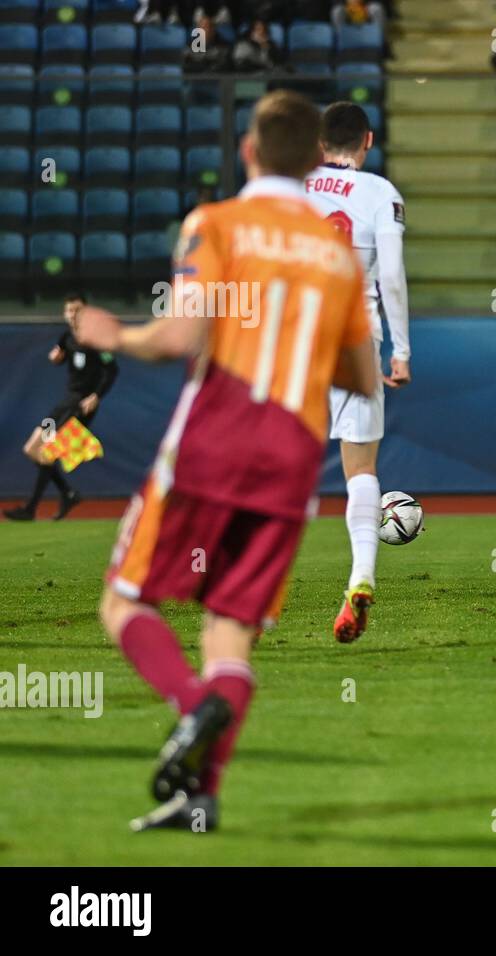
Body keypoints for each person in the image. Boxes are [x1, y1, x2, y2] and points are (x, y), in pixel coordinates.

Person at [75, 90, 377, 831]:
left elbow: (179, 338)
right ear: (314, 162)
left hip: (213, 441)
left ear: (247, 150)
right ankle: (199, 798)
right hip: (292, 459)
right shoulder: (335, 252)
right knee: (229, 633)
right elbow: (363, 378)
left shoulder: (216, 224)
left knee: (123, 601)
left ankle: (194, 706)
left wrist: (111, 334)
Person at [304, 102, 410, 643]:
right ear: (367, 140)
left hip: (295, 337)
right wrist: (401, 350)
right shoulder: (379, 192)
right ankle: (360, 576)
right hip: (355, 339)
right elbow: (390, 277)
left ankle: (253, 592)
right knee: (360, 469)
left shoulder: (291, 189)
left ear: (320, 145)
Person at [4, 293, 117, 522]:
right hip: (65, 403)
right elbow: (61, 354)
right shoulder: (67, 337)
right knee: (32, 448)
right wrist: (57, 357)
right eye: (69, 310)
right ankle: (68, 493)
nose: (73, 315)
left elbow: (111, 370)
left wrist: (96, 395)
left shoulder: (95, 339)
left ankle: (30, 508)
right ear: (65, 314)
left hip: (81, 406)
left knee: (47, 450)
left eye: (77, 310)